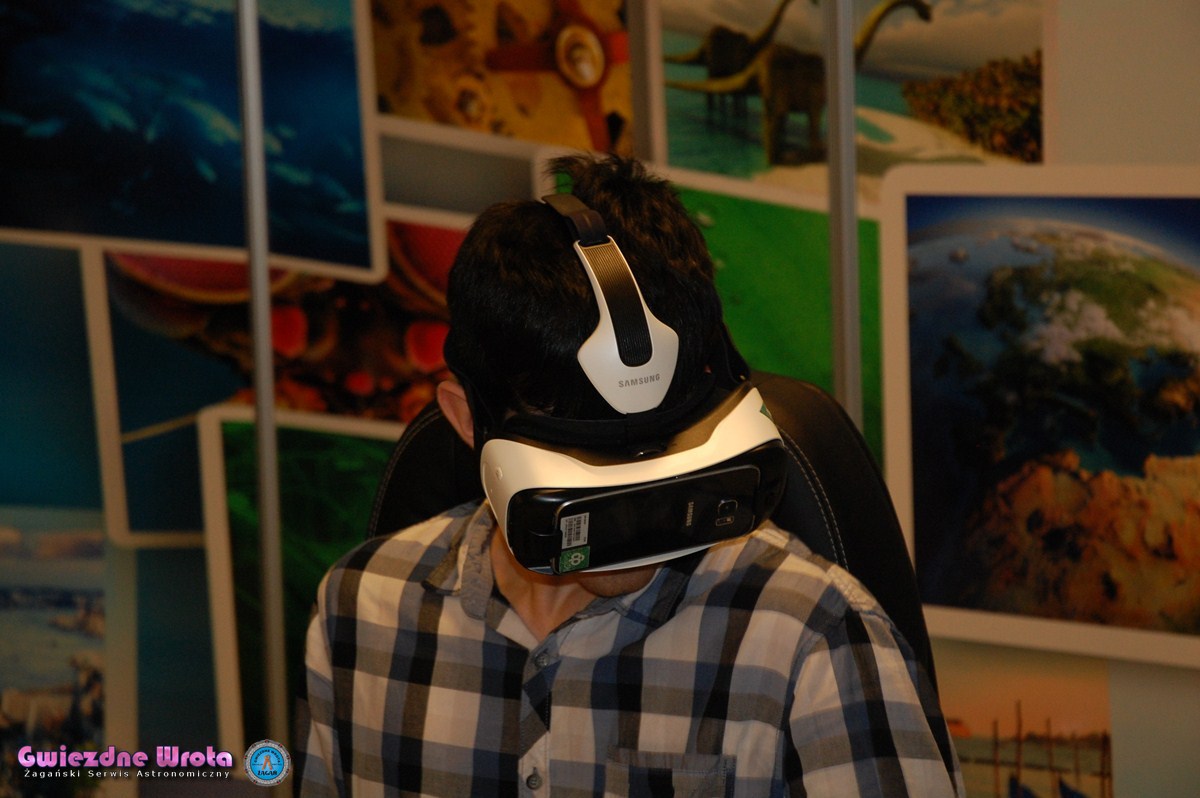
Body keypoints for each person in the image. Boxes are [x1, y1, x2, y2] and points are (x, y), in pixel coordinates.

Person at [295, 154, 963, 797]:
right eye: (592, 473)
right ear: (466, 420)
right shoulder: (362, 614)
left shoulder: (812, 639)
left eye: (662, 457)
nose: (637, 508)